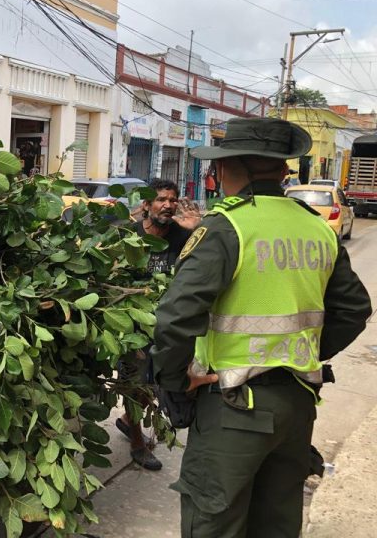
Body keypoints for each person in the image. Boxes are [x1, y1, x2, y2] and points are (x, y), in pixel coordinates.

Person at [150, 117, 372, 537]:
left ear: (233, 168)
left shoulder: (226, 226)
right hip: (297, 405)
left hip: (234, 407)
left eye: (218, 167)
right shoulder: (316, 228)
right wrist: (300, 352)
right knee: (275, 522)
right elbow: (354, 309)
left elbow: (176, 316)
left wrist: (177, 380)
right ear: (282, 170)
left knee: (213, 523)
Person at [116, 178, 201, 470]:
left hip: (167, 324)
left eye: (172, 200)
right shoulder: (129, 234)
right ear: (146, 205)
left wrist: (199, 228)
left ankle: (129, 420)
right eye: (161, 199)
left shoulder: (182, 236)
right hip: (132, 324)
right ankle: (138, 443)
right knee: (134, 381)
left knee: (156, 382)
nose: (168, 205)